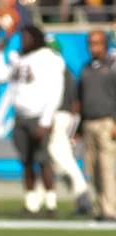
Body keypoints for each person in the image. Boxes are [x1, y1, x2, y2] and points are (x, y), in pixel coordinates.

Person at [0, 25, 64, 217]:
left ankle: (51, 203)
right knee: (26, 162)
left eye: (26, 37)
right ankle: (31, 203)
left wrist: (46, 119)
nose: (23, 41)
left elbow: (56, 89)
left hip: (37, 117)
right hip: (20, 117)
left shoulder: (48, 57)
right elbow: (1, 76)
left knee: (43, 160)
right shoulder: (19, 57)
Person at [45, 36, 93, 216]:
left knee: (64, 159)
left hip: (59, 116)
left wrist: (73, 126)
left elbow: (74, 102)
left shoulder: (59, 69)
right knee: (57, 164)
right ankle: (80, 200)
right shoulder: (63, 69)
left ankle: (84, 197)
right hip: (61, 116)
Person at [78, 30, 116, 221]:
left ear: (105, 44)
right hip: (89, 123)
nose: (94, 47)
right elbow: (81, 98)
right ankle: (100, 207)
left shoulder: (112, 66)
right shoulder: (87, 68)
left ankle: (110, 210)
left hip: (107, 122)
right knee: (92, 169)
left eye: (98, 43)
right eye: (91, 43)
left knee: (106, 167)